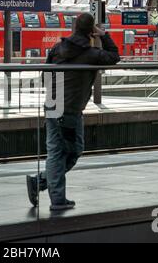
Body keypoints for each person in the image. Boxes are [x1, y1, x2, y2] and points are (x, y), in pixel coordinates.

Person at [26, 12, 120, 211]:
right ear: (91, 31)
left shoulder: (57, 48)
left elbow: (46, 74)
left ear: (74, 28)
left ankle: (41, 183)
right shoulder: (93, 55)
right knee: (67, 151)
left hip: (53, 103)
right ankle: (56, 198)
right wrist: (103, 35)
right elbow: (115, 56)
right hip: (70, 108)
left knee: (60, 150)